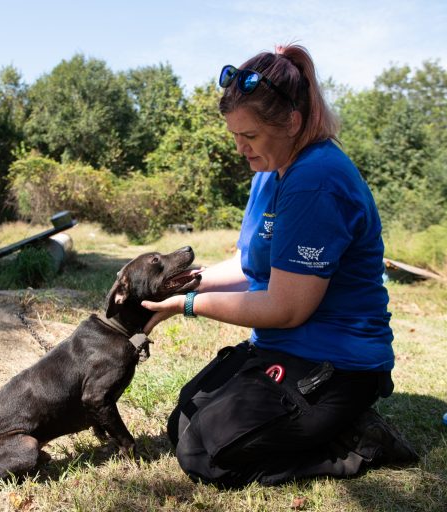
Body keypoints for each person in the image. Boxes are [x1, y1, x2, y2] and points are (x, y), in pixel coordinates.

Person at [141, 44, 418, 488]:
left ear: (291, 121)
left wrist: (187, 305)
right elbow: (248, 265)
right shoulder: (268, 172)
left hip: (336, 361)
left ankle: (356, 442)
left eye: (248, 136)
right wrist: (173, 285)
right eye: (234, 135)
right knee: (185, 420)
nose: (239, 148)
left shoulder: (317, 180)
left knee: (206, 455)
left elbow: (287, 308)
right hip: (282, 349)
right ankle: (312, 423)